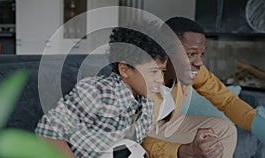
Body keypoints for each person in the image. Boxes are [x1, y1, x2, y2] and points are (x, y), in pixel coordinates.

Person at [35, 23, 168, 158]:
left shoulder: (147, 103)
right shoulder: (98, 92)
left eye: (162, 71)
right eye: (153, 72)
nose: (160, 79)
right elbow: (47, 131)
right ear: (124, 70)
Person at [141, 17, 258, 158]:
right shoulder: (139, 77)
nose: (200, 62)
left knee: (225, 129)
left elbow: (227, 100)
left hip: (164, 124)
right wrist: (183, 151)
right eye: (192, 54)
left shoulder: (192, 71)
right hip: (137, 132)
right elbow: (134, 139)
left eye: (202, 54)